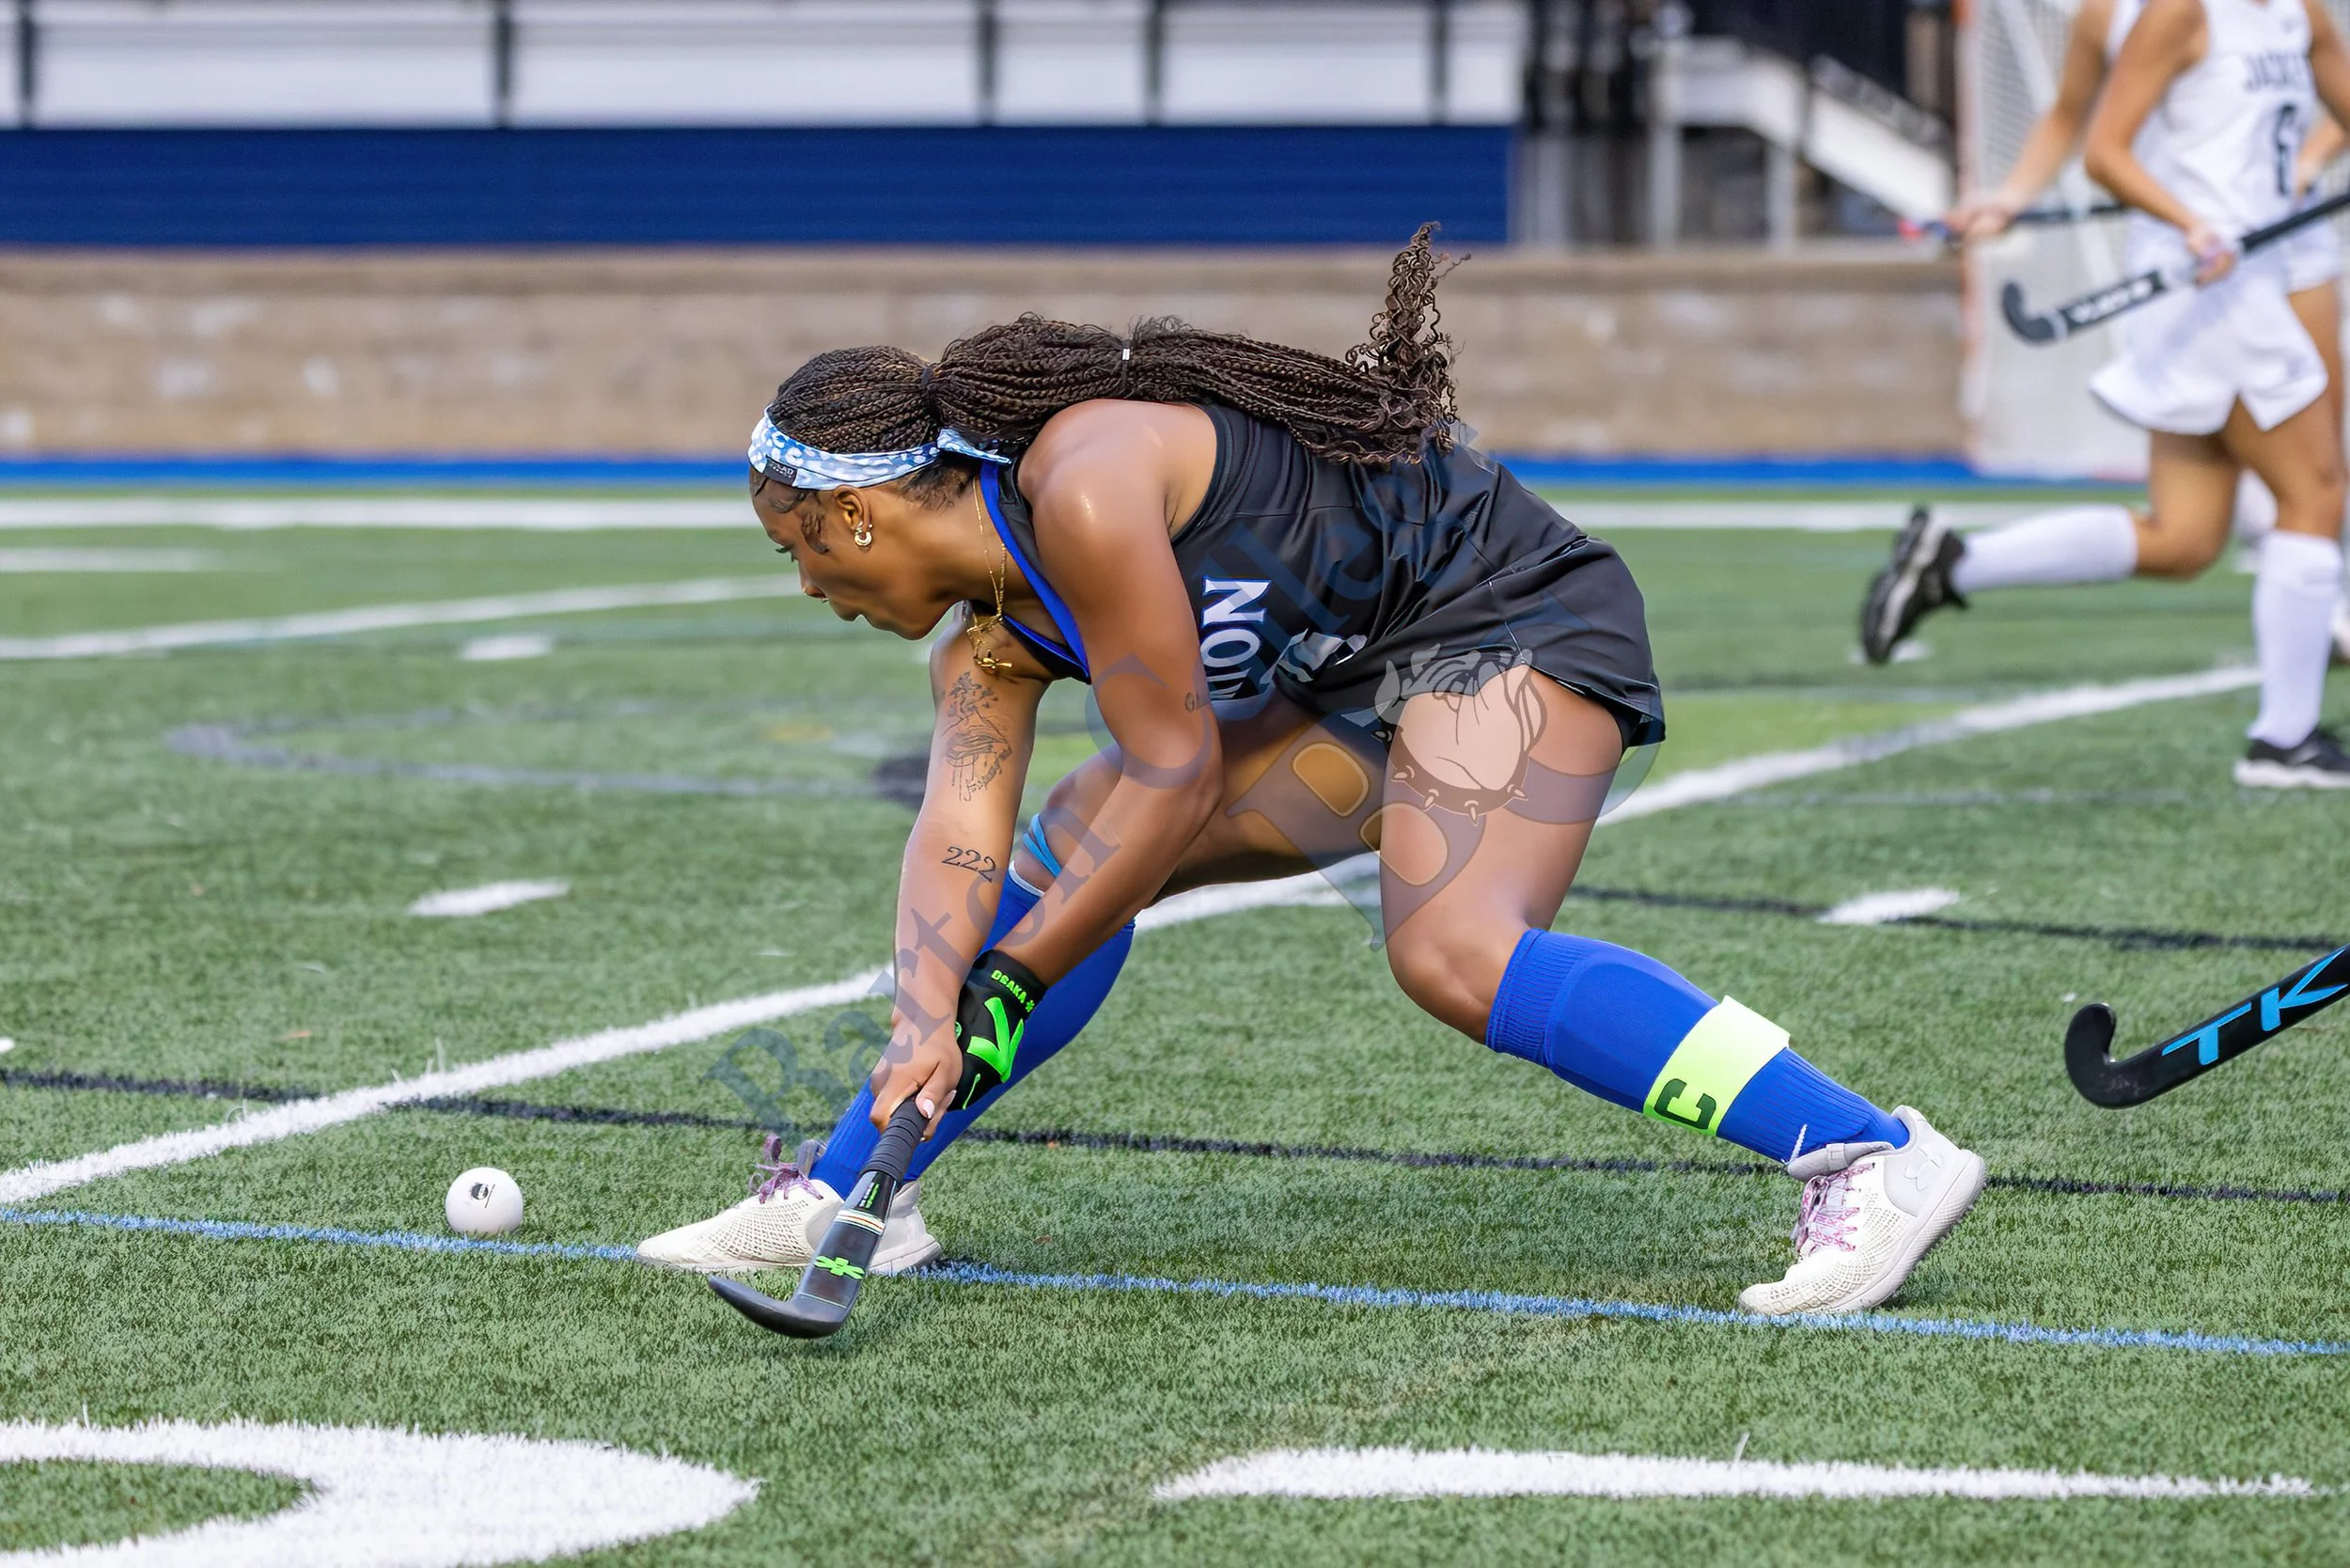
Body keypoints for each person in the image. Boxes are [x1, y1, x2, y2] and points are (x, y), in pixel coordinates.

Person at [636, 228, 1986, 1317]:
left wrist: (1014, 974)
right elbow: (959, 837)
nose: (810, 586)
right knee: (1064, 845)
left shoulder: (1087, 490)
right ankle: (857, 1184)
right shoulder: (985, 653)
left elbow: (1171, 782)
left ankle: (1869, 1151)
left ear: (860, 512)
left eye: (800, 548)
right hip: (1350, 688)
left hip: (1500, 616)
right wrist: (928, 1013)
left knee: (1451, 948)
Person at [1867, 0, 2350, 787]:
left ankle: (1956, 564)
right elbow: (2098, 146)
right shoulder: (2176, 13)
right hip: (2208, 289)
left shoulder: (2298, 12)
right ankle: (2282, 740)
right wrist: (2186, 223)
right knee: (2318, 493)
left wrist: (2299, 167)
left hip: (2271, 262)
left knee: (2188, 540)